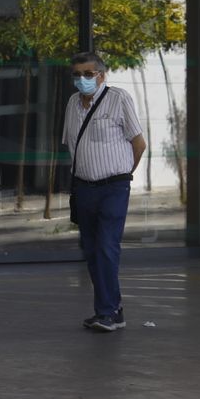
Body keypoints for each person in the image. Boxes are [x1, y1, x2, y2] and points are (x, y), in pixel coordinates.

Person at [62, 52, 146, 334]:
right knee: (92, 251)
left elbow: (139, 143)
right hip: (84, 188)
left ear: (101, 75)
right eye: (77, 74)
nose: (82, 79)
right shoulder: (73, 103)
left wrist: (124, 174)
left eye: (88, 74)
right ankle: (114, 308)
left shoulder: (118, 99)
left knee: (107, 248)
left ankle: (106, 312)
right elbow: (71, 145)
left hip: (113, 186)